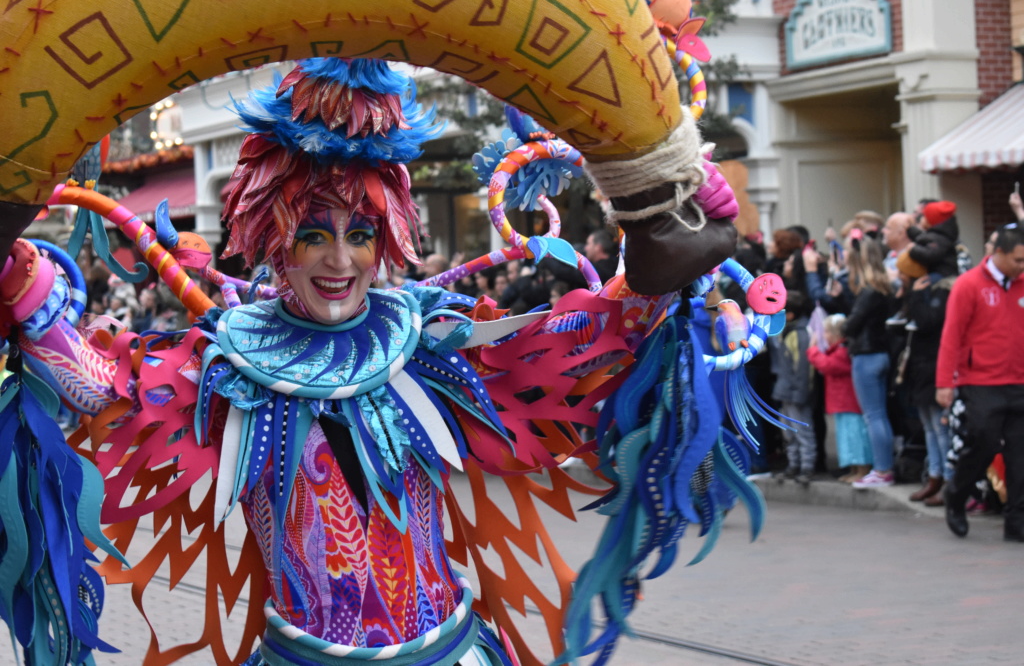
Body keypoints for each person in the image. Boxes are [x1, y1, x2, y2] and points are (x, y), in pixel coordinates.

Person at [0, 57, 762, 666]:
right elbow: (107, 395)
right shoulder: (229, 369)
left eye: (360, 234)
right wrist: (23, 284)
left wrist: (663, 239)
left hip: (446, 651)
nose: (339, 260)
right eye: (313, 234)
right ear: (272, 238)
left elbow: (576, 342)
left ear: (388, 238)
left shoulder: (432, 348)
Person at [937, 225, 1024, 541]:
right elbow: (952, 335)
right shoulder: (969, 284)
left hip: (1020, 381)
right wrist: (945, 381)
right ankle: (956, 495)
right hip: (982, 381)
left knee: (1019, 455)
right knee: (984, 443)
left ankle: (1017, 522)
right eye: (1017, 260)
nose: (1021, 266)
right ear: (998, 253)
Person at [844, 231, 898, 488]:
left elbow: (851, 325)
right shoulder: (885, 286)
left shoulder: (868, 291)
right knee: (880, 415)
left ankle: (883, 470)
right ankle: (884, 468)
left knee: (873, 416)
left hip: (867, 356)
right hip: (882, 353)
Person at [902, 271, 956, 505]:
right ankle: (935, 476)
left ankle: (949, 480)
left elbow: (926, 322)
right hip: (922, 367)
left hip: (935, 365)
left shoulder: (944, 291)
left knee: (940, 427)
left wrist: (915, 296)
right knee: (929, 427)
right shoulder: (926, 289)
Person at [807, 314, 872, 483]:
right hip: (841, 404)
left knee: (855, 437)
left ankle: (863, 469)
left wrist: (812, 349)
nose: (824, 335)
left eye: (827, 331)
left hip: (848, 403)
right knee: (847, 438)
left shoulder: (842, 352)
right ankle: (854, 469)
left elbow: (827, 365)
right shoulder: (837, 351)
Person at [768, 291, 815, 485]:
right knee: (789, 431)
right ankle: (793, 465)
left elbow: (804, 369)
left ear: (790, 315)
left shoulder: (800, 334)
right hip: (785, 389)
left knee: (802, 430)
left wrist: (800, 392)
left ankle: (807, 466)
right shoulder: (787, 331)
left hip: (796, 392)